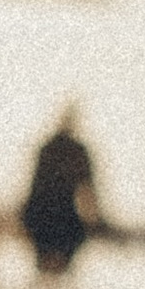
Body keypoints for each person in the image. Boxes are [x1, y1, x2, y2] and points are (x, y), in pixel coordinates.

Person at [21, 106, 101, 276]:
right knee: (52, 269)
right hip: (53, 217)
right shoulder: (63, 150)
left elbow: (88, 189)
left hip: (54, 217)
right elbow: (88, 190)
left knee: (51, 270)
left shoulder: (60, 149)